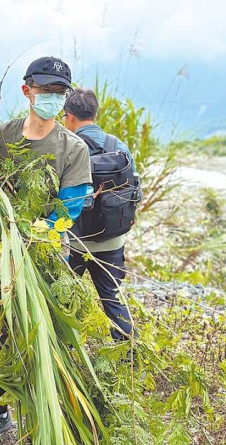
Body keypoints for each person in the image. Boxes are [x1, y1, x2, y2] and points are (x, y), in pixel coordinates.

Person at [0, 56, 93, 445]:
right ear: (27, 91)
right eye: (45, 90)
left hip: (49, 257)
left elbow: (69, 210)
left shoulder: (73, 148)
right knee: (0, 336)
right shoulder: (1, 137)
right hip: (2, 256)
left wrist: (38, 231)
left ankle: (56, 416)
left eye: (60, 92)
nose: (52, 97)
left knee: (52, 337)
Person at [62, 88, 138, 342]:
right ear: (94, 113)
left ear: (69, 117)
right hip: (112, 240)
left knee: (64, 300)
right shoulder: (119, 146)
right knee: (112, 299)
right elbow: (133, 189)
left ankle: (67, 357)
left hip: (74, 241)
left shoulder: (68, 147)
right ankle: (128, 356)